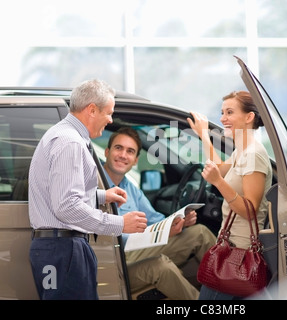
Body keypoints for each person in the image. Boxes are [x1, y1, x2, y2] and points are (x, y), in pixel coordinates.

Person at [28, 79, 148, 300]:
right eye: (109, 113)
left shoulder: (63, 135)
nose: (111, 119)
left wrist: (102, 195)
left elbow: (59, 192)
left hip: (58, 249)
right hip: (64, 251)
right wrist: (120, 224)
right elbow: (66, 206)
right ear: (92, 109)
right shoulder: (70, 143)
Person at [102, 126, 217, 300]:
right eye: (119, 148)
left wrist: (177, 222)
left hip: (137, 249)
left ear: (135, 160)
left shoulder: (130, 188)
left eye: (130, 151)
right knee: (162, 265)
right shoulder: (95, 184)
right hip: (112, 260)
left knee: (199, 233)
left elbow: (156, 220)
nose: (123, 155)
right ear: (107, 152)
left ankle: (232, 288)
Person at [187, 90, 272, 300]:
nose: (223, 118)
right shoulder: (242, 151)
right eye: (222, 112)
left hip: (239, 254)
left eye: (230, 112)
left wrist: (218, 182)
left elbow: (250, 211)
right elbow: (220, 168)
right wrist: (204, 135)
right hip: (233, 248)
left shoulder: (254, 155)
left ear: (249, 117)